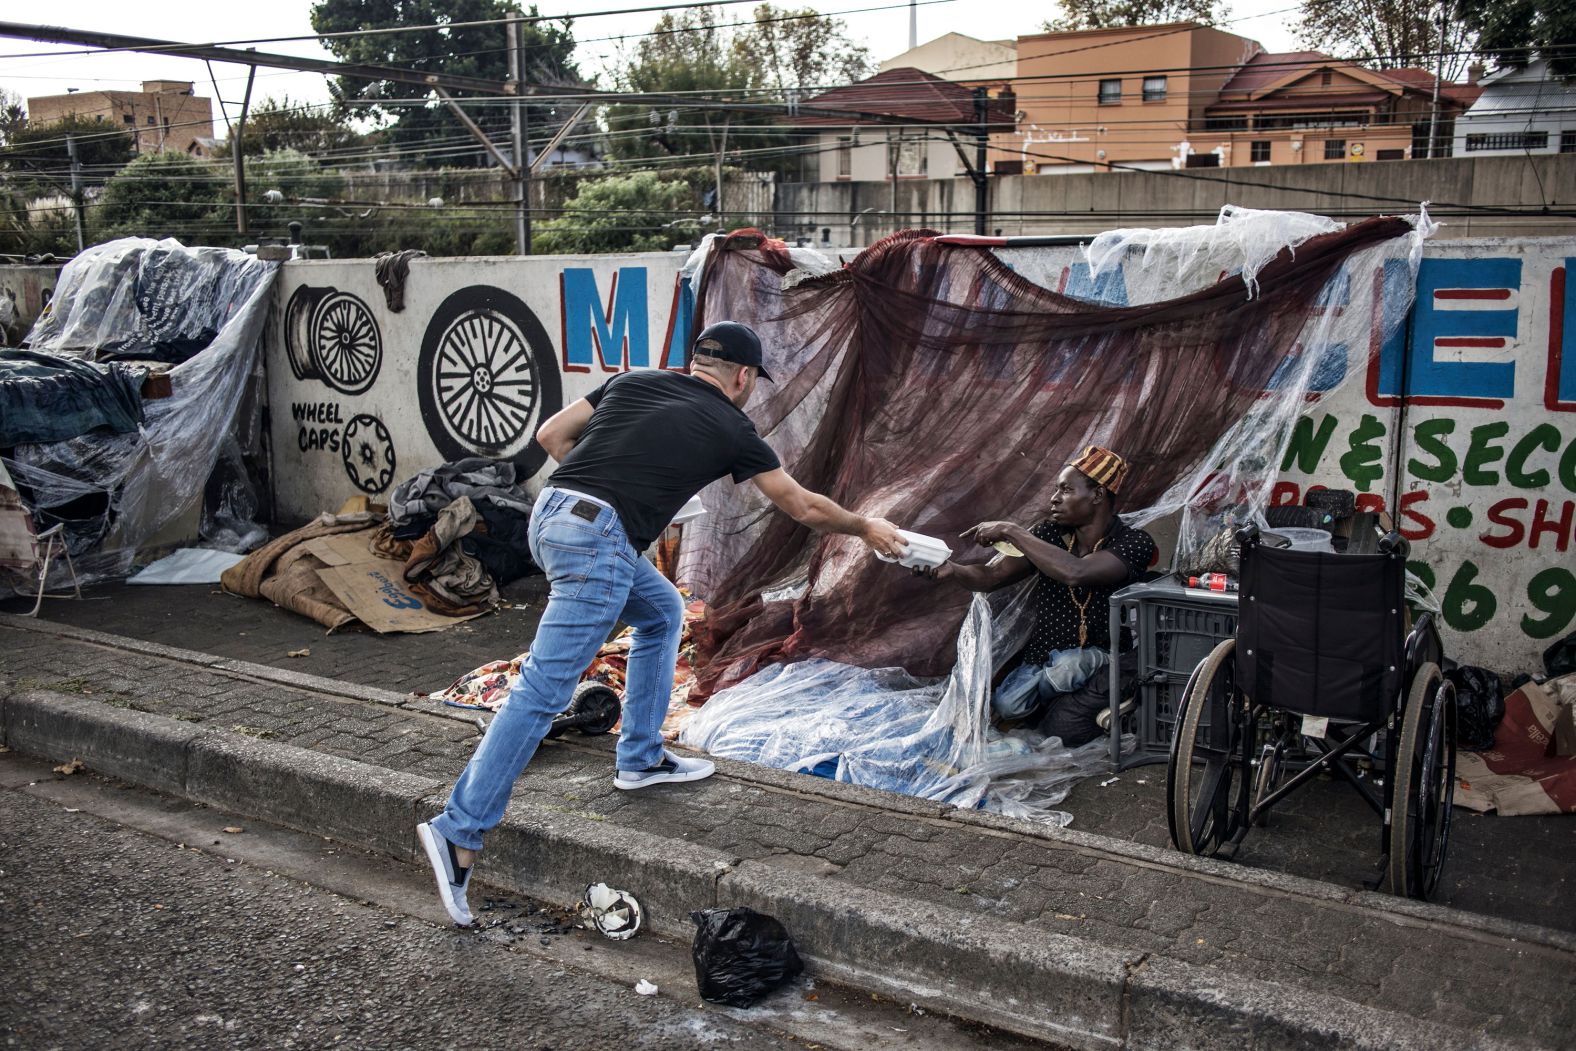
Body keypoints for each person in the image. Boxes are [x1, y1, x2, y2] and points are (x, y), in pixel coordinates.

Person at [417, 320, 906, 926]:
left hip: (552, 515)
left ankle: (641, 758)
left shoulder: (635, 379)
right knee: (543, 692)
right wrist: (866, 527)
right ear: (745, 377)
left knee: (662, 609)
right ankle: (457, 831)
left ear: (697, 361)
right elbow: (803, 505)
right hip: (596, 540)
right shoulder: (733, 426)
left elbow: (550, 434)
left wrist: (609, 490)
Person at [919, 446, 1156, 747]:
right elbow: (992, 577)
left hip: (1103, 659)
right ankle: (1058, 701)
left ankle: (1086, 700)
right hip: (1044, 662)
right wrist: (951, 569)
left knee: (1070, 667)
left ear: (1097, 495)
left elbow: (1077, 572)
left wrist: (1011, 530)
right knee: (1007, 704)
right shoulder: (1049, 535)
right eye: (1056, 490)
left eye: (1066, 490)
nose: (1054, 498)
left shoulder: (1134, 542)